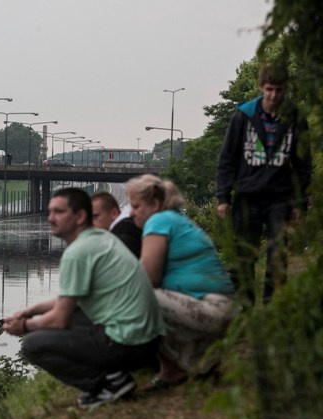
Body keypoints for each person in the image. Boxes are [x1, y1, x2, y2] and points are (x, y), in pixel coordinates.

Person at [3, 188, 165, 408]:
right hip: (149, 341)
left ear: (80, 217)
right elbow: (70, 298)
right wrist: (30, 310)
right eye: (50, 212)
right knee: (70, 317)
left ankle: (105, 384)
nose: (50, 218)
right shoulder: (100, 238)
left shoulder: (78, 252)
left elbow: (59, 318)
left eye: (59, 212)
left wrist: (25, 326)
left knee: (33, 344)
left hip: (129, 344)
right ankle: (114, 376)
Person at [126, 174, 234, 389]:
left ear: (155, 204)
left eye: (136, 206)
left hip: (212, 309)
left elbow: (148, 278)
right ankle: (197, 362)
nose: (131, 213)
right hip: (222, 310)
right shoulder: (177, 220)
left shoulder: (158, 221)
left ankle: (172, 369)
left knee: (138, 296)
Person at [216, 62, 312, 302]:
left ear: (285, 90)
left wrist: (299, 203)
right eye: (269, 89)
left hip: (281, 197)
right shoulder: (243, 116)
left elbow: (302, 164)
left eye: (279, 90)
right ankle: (246, 304)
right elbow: (227, 158)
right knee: (244, 253)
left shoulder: (295, 119)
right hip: (247, 195)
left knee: (278, 252)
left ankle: (271, 304)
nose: (274, 95)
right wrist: (223, 197)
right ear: (261, 88)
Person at [91, 191, 142, 257]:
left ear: (114, 213)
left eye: (95, 216)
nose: (91, 222)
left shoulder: (123, 235)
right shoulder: (129, 228)